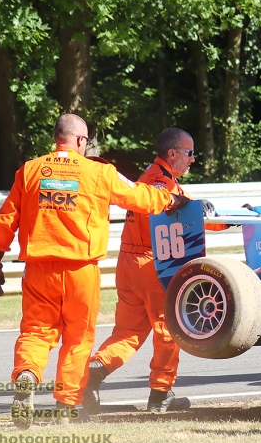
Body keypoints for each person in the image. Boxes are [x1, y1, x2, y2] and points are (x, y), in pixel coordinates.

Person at [0, 114, 187, 429]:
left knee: (36, 332)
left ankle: (27, 374)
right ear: (82, 141)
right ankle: (66, 407)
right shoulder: (99, 172)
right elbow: (137, 196)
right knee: (78, 338)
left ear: (56, 138)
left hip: (39, 269)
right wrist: (169, 198)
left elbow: (5, 218)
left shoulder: (30, 170)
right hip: (81, 269)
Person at [85, 128, 227, 414]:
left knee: (128, 332)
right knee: (169, 329)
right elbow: (188, 217)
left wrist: (222, 220)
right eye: (189, 153)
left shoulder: (148, 177)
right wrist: (228, 221)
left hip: (128, 265)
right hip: (154, 266)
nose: (193, 159)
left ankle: (95, 370)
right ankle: (160, 394)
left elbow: (187, 211)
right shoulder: (164, 185)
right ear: (172, 153)